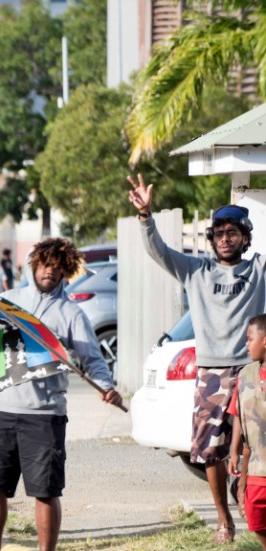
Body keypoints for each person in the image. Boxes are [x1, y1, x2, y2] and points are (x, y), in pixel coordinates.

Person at [129, 173, 264, 544]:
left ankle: (248, 498)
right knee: (208, 452)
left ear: (245, 238)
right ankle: (224, 519)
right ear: (212, 239)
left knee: (257, 444)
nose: (225, 238)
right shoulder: (196, 272)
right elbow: (159, 251)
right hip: (212, 373)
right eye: (219, 233)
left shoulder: (258, 271)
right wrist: (145, 216)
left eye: (233, 232)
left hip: (252, 372)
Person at [0, 237, 122, 551]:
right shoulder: (8, 301)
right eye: (44, 265)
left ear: (65, 272)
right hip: (2, 408)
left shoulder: (71, 313)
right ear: (34, 265)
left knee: (45, 492)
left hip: (45, 414)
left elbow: (92, 358)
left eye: (57, 267)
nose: (49, 272)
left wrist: (107, 386)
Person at [228, 315, 266, 549]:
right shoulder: (245, 376)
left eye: (250, 339)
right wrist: (234, 451)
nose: (246, 344)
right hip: (256, 467)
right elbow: (237, 414)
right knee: (256, 520)